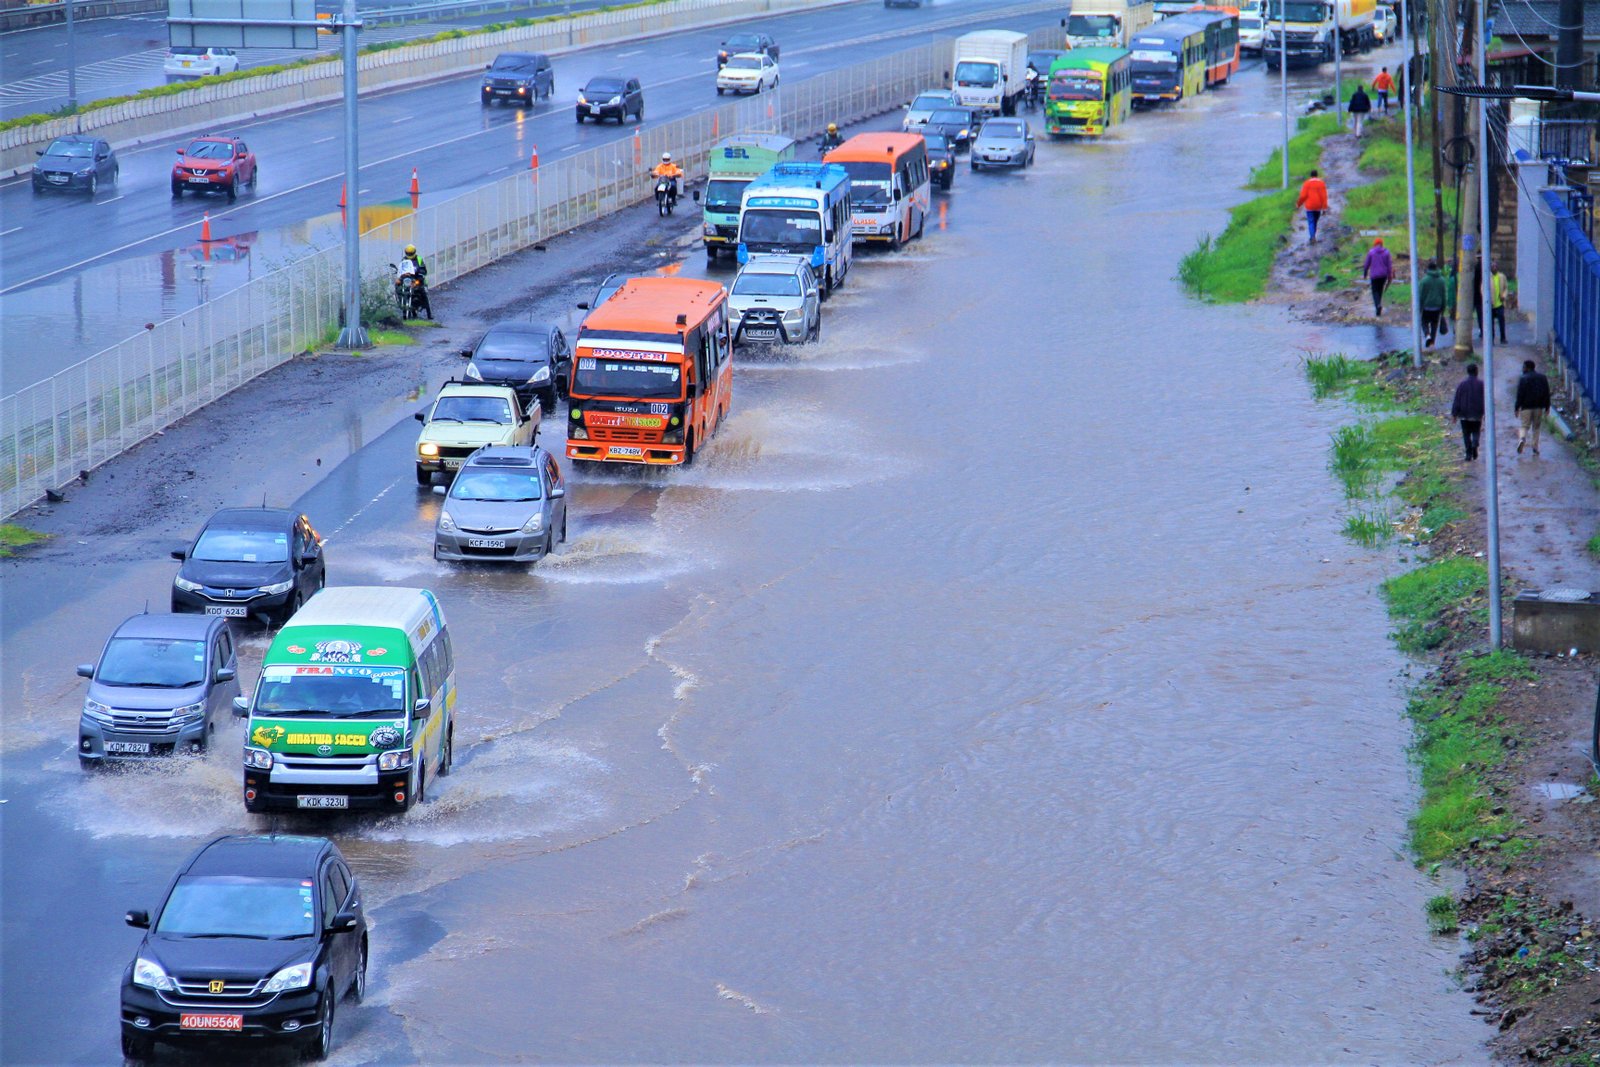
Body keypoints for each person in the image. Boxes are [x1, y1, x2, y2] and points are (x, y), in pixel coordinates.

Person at [1514, 358, 1551, 455]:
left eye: (1523, 367)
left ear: (1527, 368)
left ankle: (1522, 439)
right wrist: (1547, 407)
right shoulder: (1542, 378)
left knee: (1524, 426)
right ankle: (1535, 447)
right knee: (1536, 427)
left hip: (1526, 407)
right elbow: (1546, 393)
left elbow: (1520, 394)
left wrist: (1517, 407)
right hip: (1538, 407)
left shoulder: (1523, 378)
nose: (1522, 369)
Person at [1451, 362, 1485, 461]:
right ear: (1476, 372)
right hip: (1477, 414)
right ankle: (1475, 444)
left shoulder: (1462, 385)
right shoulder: (1481, 384)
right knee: (1475, 431)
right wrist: (1486, 413)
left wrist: (1454, 414)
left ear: (1468, 372)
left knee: (1466, 434)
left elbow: (1457, 399)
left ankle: (1468, 454)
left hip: (1464, 414)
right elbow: (1486, 399)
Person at [1418, 260, 1448, 347]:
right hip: (1437, 307)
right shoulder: (1442, 280)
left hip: (1427, 307)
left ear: (1428, 269)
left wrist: (1419, 308)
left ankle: (1427, 335)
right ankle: (1432, 343)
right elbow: (1443, 296)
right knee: (1434, 325)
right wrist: (1443, 308)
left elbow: (1421, 295)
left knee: (1424, 322)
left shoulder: (1424, 281)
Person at [1296, 169, 1329, 243]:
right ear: (1317, 175)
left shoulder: (1306, 183)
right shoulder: (1321, 183)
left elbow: (1303, 196)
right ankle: (1313, 235)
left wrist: (1298, 204)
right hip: (1318, 207)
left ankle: (1312, 236)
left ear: (1310, 176)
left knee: (1311, 221)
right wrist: (1324, 208)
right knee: (1315, 221)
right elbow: (1324, 196)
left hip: (1309, 206)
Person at [400, 244, 432, 320]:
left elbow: (423, 269)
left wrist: (421, 274)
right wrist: (400, 275)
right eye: (408, 253)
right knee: (401, 291)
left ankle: (429, 314)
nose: (410, 254)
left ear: (414, 252)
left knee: (423, 294)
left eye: (411, 253)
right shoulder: (404, 260)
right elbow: (401, 269)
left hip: (418, 279)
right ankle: (406, 309)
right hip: (408, 279)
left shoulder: (419, 259)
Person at [1362, 237, 1393, 316]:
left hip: (1374, 276)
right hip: (1383, 275)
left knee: (1375, 291)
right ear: (1382, 244)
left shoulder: (1371, 252)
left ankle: (1377, 306)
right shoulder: (1386, 252)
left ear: (1375, 244)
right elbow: (1389, 265)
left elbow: (1366, 264)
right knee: (1380, 290)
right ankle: (1378, 306)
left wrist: (1365, 273)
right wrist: (1390, 275)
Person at [1490, 262, 1509, 344]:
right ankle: (1491, 339)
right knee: (1490, 323)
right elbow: (1483, 289)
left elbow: (1506, 288)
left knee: (1501, 321)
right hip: (1491, 304)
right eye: (1492, 266)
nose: (1494, 268)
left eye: (1495, 266)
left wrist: (1504, 296)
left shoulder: (1502, 277)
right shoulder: (1488, 277)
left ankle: (1503, 338)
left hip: (1500, 303)